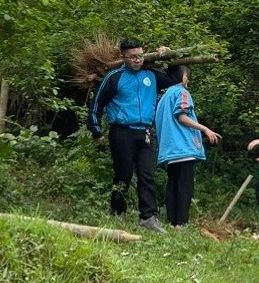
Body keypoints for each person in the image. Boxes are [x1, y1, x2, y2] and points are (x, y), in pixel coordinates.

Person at [87, 38, 174, 234]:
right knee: (123, 174)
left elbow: (175, 77)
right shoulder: (114, 77)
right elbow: (96, 105)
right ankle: (117, 211)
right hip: (121, 132)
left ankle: (148, 217)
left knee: (147, 174)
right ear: (123, 57)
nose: (137, 60)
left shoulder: (151, 75)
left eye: (140, 56)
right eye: (133, 57)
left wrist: (170, 55)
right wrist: (96, 131)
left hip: (144, 132)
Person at [154, 65, 221, 228]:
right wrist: (205, 129)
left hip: (169, 150)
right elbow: (181, 115)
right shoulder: (182, 92)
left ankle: (172, 222)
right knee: (185, 186)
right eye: (187, 76)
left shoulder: (163, 97)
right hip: (183, 148)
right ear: (183, 78)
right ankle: (181, 223)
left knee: (173, 185)